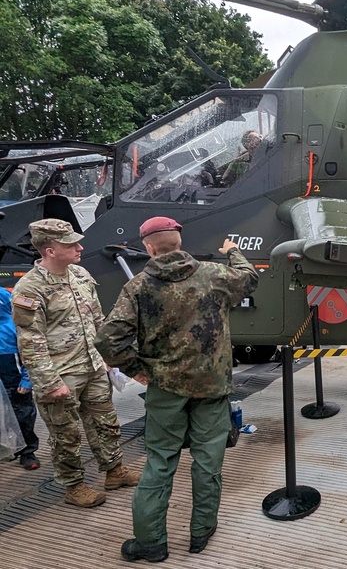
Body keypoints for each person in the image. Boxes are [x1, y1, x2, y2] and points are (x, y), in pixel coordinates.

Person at [96, 216, 258, 562]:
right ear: (179, 243)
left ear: (149, 248)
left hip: (165, 389)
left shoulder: (137, 287)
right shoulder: (215, 275)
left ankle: (151, 543)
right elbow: (249, 279)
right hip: (211, 387)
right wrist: (234, 252)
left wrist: (138, 370)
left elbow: (108, 341)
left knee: (160, 462)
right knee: (208, 461)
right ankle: (201, 532)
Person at [11, 218, 140, 507]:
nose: (80, 247)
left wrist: (108, 358)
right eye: (70, 244)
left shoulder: (80, 275)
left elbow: (97, 319)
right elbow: (30, 341)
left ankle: (114, 471)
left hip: (92, 367)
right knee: (65, 435)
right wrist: (49, 383)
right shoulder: (29, 289)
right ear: (50, 250)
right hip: (60, 374)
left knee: (106, 422)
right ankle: (74, 486)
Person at [0, 286, 40, 469]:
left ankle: (27, 451)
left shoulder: (13, 324)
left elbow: (29, 354)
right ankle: (8, 448)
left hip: (14, 378)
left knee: (23, 414)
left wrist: (27, 379)